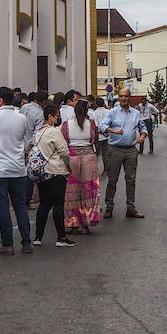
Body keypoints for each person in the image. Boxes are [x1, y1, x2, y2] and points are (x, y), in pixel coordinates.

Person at [0, 87, 33, 254]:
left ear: (0, 100)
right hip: (17, 168)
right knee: (20, 206)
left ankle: (7, 244)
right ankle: (26, 242)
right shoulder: (21, 118)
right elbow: (23, 136)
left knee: (2, 207)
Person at [101, 89, 148, 220]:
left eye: (125, 96)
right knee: (112, 180)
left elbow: (142, 127)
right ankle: (109, 208)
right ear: (118, 98)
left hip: (131, 151)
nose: (123, 99)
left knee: (131, 180)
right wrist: (113, 130)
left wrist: (143, 136)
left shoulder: (136, 113)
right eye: (121, 96)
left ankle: (131, 208)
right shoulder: (112, 112)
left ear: (129, 97)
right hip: (115, 149)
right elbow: (102, 126)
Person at [31, 106, 73, 246]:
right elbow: (64, 152)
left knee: (44, 204)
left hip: (43, 173)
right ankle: (61, 237)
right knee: (58, 205)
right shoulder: (54, 132)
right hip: (56, 171)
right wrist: (68, 166)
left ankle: (38, 237)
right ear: (50, 116)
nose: (57, 118)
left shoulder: (39, 132)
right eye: (56, 116)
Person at [62, 98, 100, 233]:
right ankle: (86, 223)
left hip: (72, 159)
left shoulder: (66, 125)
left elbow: (64, 141)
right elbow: (95, 140)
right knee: (88, 191)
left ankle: (74, 223)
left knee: (73, 192)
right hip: (89, 158)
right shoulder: (91, 124)